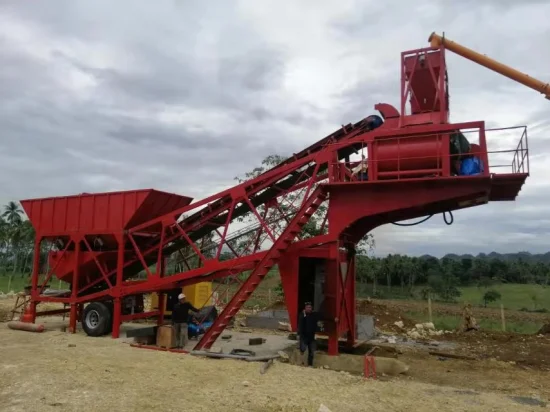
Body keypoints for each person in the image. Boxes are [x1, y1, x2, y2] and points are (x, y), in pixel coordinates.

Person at [297, 302, 322, 367]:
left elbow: (323, 316)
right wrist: (298, 334)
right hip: (303, 336)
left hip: (311, 337)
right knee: (302, 349)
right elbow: (300, 323)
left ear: (312, 308)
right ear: (305, 308)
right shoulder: (302, 315)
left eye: (310, 307)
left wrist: (334, 319)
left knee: (312, 352)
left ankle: (310, 364)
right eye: (307, 307)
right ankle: (301, 362)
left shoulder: (314, 315)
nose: (309, 309)